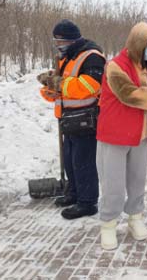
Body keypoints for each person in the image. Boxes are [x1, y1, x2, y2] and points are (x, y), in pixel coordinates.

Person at [96, 22, 147, 250]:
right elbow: (129, 95)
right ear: (136, 42)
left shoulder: (146, 69)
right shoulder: (115, 66)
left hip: (140, 136)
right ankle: (108, 224)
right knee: (113, 184)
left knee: (137, 181)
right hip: (114, 135)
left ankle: (135, 217)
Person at [37, 19, 106, 219]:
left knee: (83, 163)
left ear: (72, 40)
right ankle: (74, 193)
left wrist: (58, 84)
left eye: (61, 41)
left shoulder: (92, 57)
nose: (58, 45)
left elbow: (89, 86)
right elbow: (66, 86)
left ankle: (88, 202)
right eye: (56, 41)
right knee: (70, 160)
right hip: (69, 119)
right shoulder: (66, 57)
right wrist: (50, 87)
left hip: (86, 118)